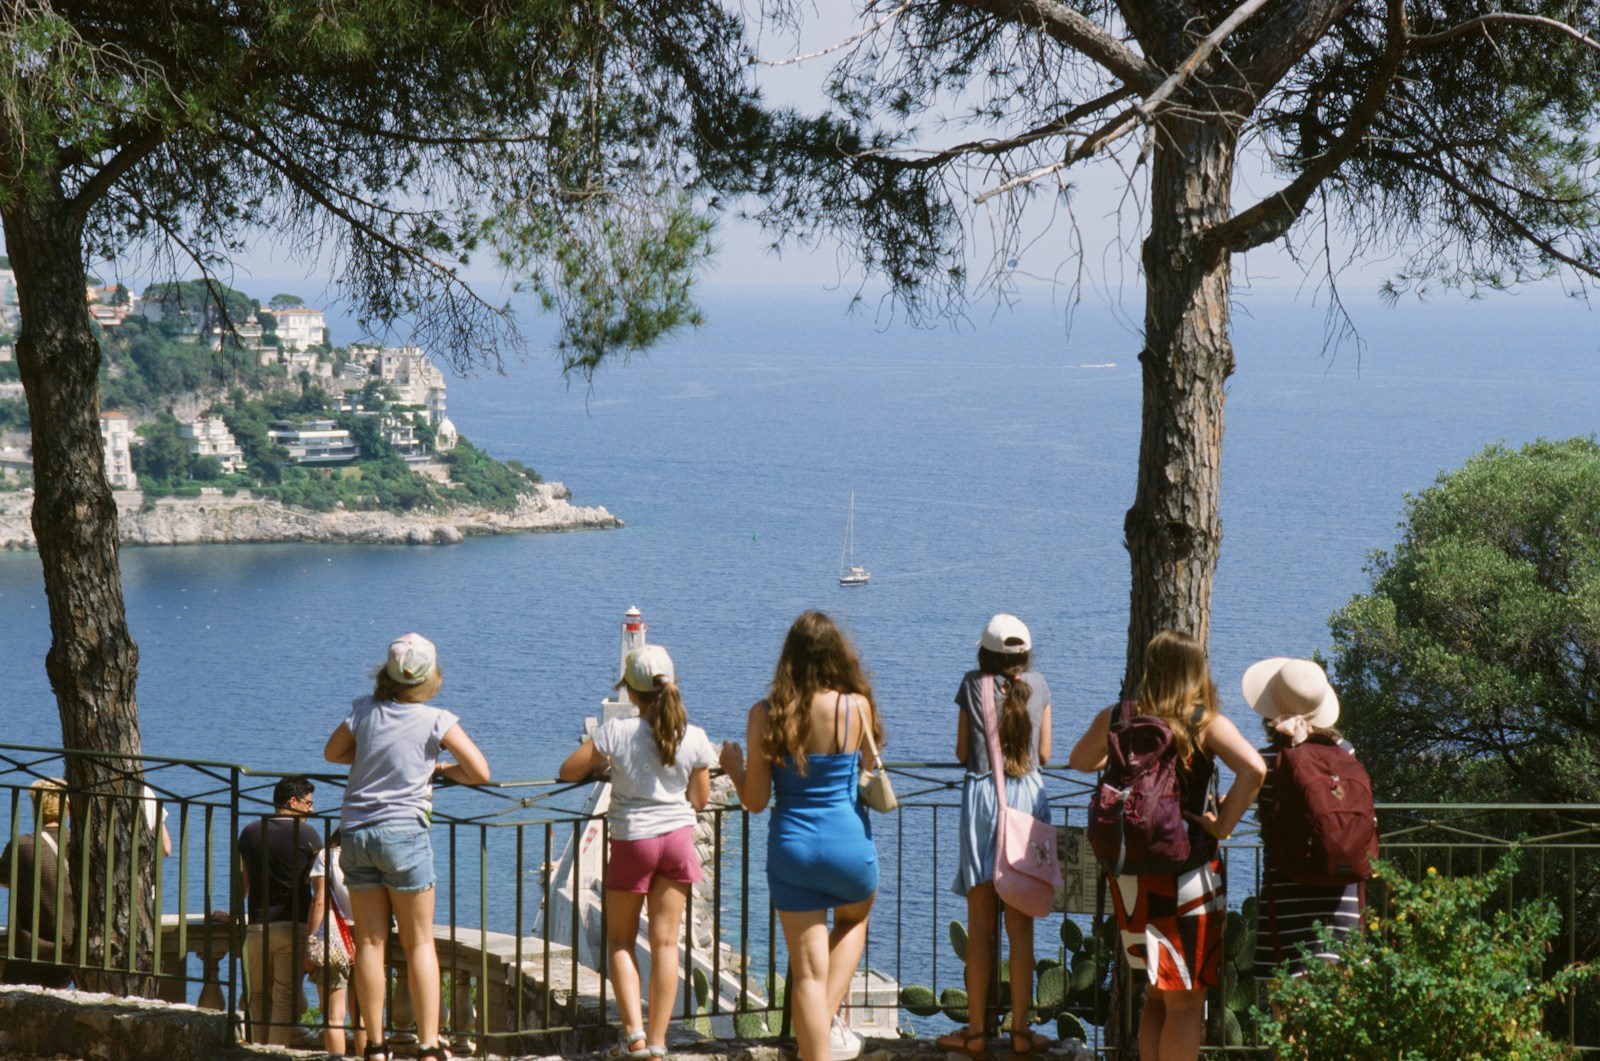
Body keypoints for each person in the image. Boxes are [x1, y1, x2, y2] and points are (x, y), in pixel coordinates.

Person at [1068, 631, 1265, 1061]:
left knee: (1156, 994)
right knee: (1187, 1000)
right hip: (1188, 876)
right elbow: (1254, 768)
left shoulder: (1119, 717)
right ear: (1196, 671)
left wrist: (1124, 755)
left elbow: (1080, 760)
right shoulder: (1203, 722)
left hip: (1131, 877)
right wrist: (1221, 825)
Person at [719, 611, 881, 1061]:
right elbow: (869, 765)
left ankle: (818, 1037)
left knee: (808, 973)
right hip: (849, 844)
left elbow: (754, 800)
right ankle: (824, 1028)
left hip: (793, 849)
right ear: (837, 655)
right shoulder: (857, 706)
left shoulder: (766, 715)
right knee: (853, 921)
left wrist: (733, 767)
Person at [324, 632, 490, 1061]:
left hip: (356, 834)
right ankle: (429, 1046)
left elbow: (333, 753)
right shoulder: (437, 720)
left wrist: (374, 757)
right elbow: (479, 772)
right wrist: (435, 767)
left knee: (371, 944)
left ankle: (376, 1046)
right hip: (404, 836)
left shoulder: (364, 711)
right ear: (431, 677)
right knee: (418, 943)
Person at [558, 645, 718, 1061]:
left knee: (620, 941)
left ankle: (635, 1039)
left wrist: (603, 767)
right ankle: (660, 1043)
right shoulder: (694, 736)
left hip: (634, 842)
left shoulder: (617, 733)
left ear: (630, 691)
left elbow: (568, 770)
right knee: (666, 945)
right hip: (678, 841)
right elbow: (699, 799)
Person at [936, 614, 1054, 1059]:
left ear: (984, 654)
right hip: (1028, 801)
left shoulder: (972, 685)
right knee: (1020, 929)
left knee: (981, 925)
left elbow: (964, 753)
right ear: (1026, 655)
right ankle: (1022, 1032)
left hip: (985, 803)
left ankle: (976, 1031)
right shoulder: (1039, 685)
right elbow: (1043, 753)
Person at [1241, 657, 1362, 984]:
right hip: (1342, 895)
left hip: (1286, 897)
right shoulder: (1345, 753)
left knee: (1289, 1018)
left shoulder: (1265, 762)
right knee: (1336, 1017)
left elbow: (1233, 810)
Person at [238, 775, 322, 1045]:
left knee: (258, 997)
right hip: (292, 926)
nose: (311, 810)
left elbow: (244, 883)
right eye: (307, 804)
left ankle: (256, 1052)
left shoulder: (250, 832)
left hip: (257, 928)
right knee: (285, 998)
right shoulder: (307, 835)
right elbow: (321, 885)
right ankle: (273, 1054)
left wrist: (232, 915)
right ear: (292, 801)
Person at [0, 778, 75, 988]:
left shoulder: (23, 846)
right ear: (66, 809)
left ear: (37, 808)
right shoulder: (78, 844)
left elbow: (3, 880)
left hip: (29, 948)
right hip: (67, 948)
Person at [305, 827, 362, 1058]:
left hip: (335, 937)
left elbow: (319, 902)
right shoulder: (372, 854)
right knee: (363, 1014)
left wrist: (310, 946)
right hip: (368, 936)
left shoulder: (326, 856)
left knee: (334, 1015)